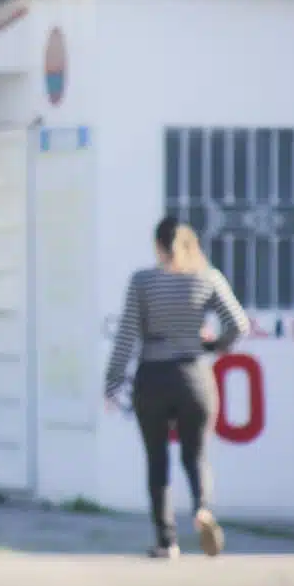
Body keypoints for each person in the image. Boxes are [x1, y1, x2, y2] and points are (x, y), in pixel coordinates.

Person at [104, 217, 249, 559]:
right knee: (195, 455)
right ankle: (202, 509)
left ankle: (166, 540)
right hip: (193, 375)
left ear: (157, 245)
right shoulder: (206, 278)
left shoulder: (142, 282)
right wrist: (213, 347)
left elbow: (126, 335)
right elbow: (238, 324)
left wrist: (112, 381)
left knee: (157, 460)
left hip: (153, 377)